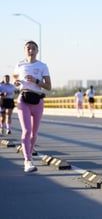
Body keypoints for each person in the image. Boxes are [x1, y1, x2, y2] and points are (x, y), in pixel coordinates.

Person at [12, 41, 52, 173]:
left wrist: (35, 81)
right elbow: (15, 82)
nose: (31, 51)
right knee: (26, 131)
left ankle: (28, 151)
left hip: (38, 101)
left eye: (33, 48)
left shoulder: (42, 66)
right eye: (28, 48)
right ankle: (27, 160)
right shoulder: (19, 64)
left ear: (37, 51)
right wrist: (16, 83)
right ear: (24, 51)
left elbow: (49, 87)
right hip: (23, 100)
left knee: (34, 133)